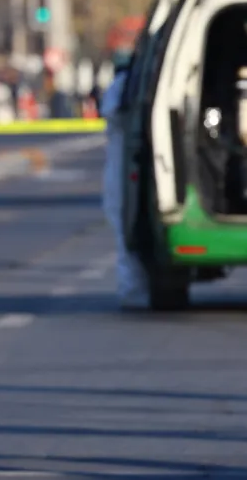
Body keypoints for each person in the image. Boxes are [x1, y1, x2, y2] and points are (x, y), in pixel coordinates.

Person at [100, 58, 151, 310]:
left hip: (128, 167)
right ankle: (133, 289)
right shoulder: (126, 86)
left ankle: (135, 289)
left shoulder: (128, 85)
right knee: (125, 228)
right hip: (122, 167)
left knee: (128, 227)